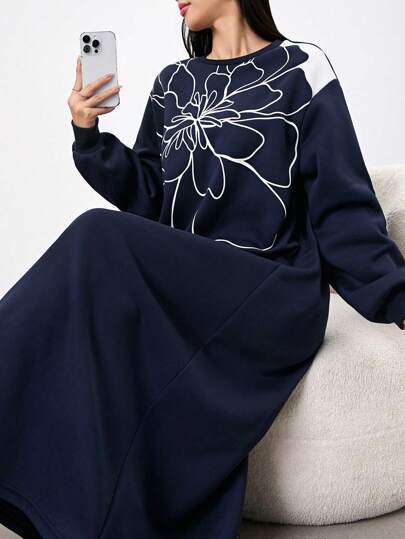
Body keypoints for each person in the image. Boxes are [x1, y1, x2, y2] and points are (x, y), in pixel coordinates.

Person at [1, 0, 405, 537]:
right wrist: (89, 135)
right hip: (190, 287)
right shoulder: (173, 83)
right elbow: (150, 197)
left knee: (95, 234)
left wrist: (397, 297)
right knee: (95, 298)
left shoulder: (301, 69)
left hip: (270, 289)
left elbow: (342, 209)